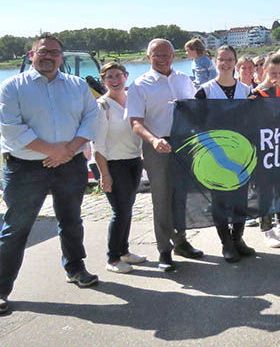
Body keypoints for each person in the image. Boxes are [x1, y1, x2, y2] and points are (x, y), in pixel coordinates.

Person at [0, 35, 100, 313]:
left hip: (70, 164)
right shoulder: (11, 87)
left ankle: (76, 268)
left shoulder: (78, 86)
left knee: (71, 220)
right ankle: (1, 288)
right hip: (25, 168)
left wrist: (70, 150)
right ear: (31, 54)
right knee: (15, 228)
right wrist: (52, 151)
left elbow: (91, 117)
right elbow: (11, 128)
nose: (49, 57)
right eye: (43, 52)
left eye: (55, 53)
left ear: (61, 57)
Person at [127, 38, 204, 272]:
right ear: (148, 57)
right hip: (157, 146)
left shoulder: (184, 80)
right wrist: (153, 140)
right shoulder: (140, 85)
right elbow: (135, 122)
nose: (162, 59)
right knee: (161, 199)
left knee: (182, 196)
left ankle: (181, 242)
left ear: (174, 55)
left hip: (184, 144)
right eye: (157, 55)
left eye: (167, 54)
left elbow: (194, 110)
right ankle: (164, 249)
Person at [194, 45, 255, 263]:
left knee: (240, 200)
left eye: (230, 59)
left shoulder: (247, 91)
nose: (226, 63)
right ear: (215, 61)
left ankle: (238, 238)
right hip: (214, 153)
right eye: (222, 59)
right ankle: (226, 243)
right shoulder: (205, 91)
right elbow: (196, 122)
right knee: (219, 199)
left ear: (235, 62)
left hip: (241, 153)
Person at [92, 62, 147, 274]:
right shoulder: (102, 106)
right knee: (120, 211)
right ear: (103, 80)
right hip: (114, 164)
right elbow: (99, 145)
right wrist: (104, 174)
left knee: (127, 209)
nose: (114, 81)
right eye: (109, 77)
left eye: (118, 76)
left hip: (134, 161)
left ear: (126, 76)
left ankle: (124, 251)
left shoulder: (131, 101)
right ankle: (113, 258)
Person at [249, 53, 280, 248]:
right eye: (273, 72)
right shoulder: (256, 92)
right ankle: (267, 229)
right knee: (265, 189)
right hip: (263, 148)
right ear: (264, 69)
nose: (276, 76)